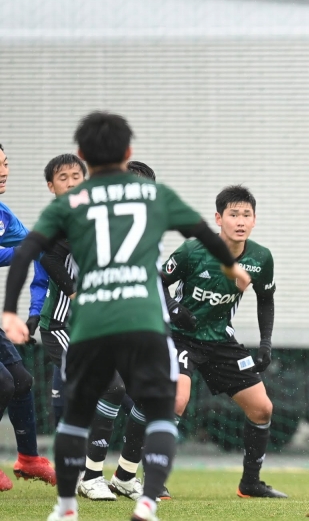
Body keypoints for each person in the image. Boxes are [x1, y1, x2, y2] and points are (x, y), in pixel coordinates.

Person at [3, 112, 250, 521]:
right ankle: (93, 482)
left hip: (125, 323)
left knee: (154, 396)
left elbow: (30, 250)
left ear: (85, 157)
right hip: (80, 324)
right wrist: (230, 264)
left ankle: (119, 486)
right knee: (108, 394)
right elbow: (200, 230)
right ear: (128, 153)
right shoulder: (114, 203)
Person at [35, 154, 156, 502]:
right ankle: (88, 475)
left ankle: (124, 475)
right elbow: (48, 255)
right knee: (111, 387)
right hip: (63, 325)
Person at [160, 185, 285, 498]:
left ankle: (250, 484)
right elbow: (157, 283)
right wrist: (175, 309)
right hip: (181, 338)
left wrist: (265, 342)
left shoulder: (259, 258)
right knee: (177, 399)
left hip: (220, 340)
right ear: (218, 218)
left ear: (254, 220)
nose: (240, 220)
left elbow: (265, 300)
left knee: (262, 408)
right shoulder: (192, 251)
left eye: (246, 214)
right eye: (233, 214)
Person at [0, 142, 57, 491]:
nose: (3, 170)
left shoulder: (3, 213)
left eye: (6, 163)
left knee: (21, 381)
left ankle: (29, 459)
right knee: (3, 383)